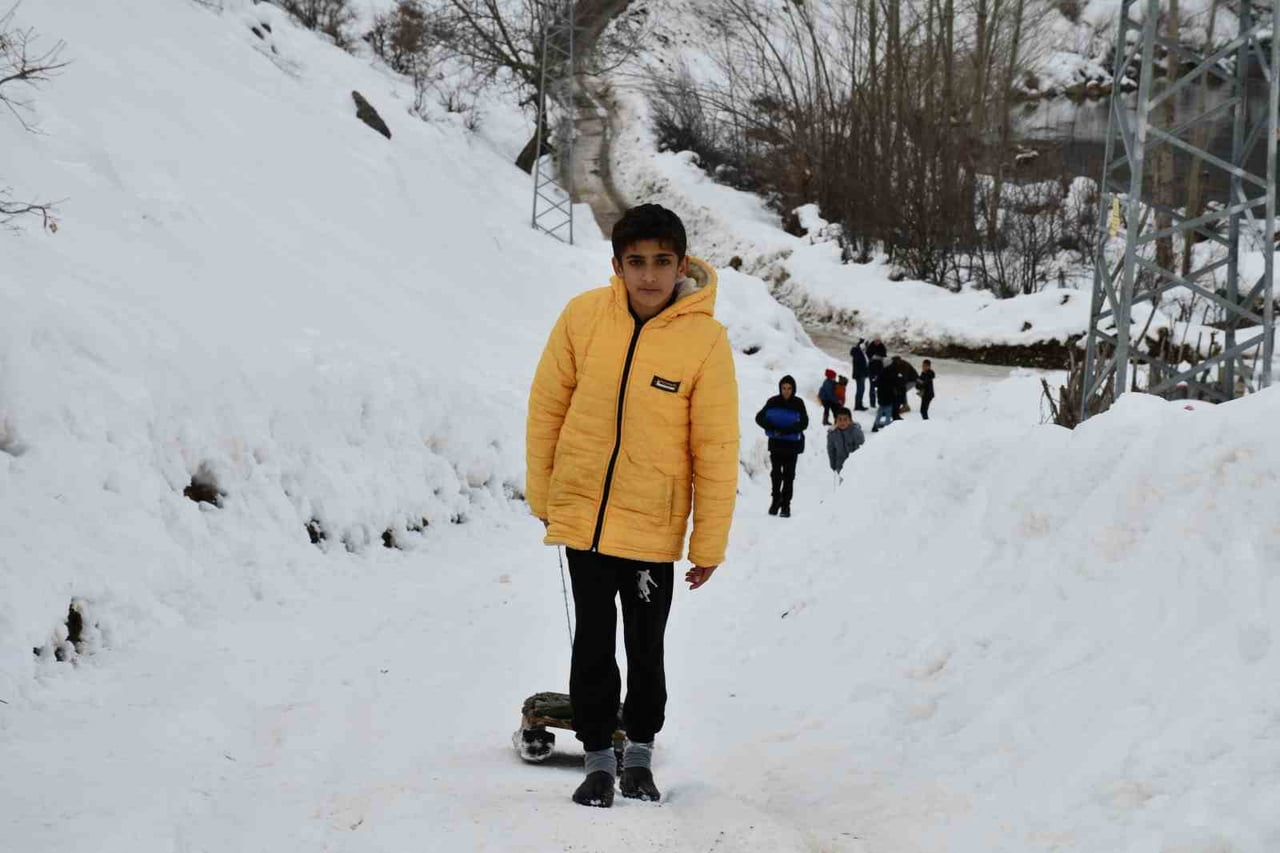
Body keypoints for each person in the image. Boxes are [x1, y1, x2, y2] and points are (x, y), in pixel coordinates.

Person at [526, 203, 739, 808]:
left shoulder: (705, 341)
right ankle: (597, 760)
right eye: (636, 262)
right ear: (617, 265)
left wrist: (708, 544)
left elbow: (715, 448)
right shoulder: (584, 316)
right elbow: (547, 409)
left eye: (662, 262)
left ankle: (639, 756)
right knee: (592, 642)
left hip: (651, 526)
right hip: (585, 520)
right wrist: (545, 494)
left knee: (646, 648)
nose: (649, 275)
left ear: (682, 265)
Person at [755, 374, 808, 518]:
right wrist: (772, 428)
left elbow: (804, 423)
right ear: (780, 388)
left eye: (789, 388)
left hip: (792, 445)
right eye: (784, 388)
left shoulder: (798, 403)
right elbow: (759, 418)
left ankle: (786, 505)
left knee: (789, 476)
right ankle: (775, 500)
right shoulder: (773, 401)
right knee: (776, 474)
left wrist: (786, 430)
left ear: (793, 389)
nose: (786, 391)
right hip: (776, 444)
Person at [826, 407, 864, 479]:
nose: (842, 422)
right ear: (836, 420)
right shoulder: (832, 434)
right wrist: (833, 465)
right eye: (839, 419)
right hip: (840, 465)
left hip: (855, 466)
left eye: (845, 419)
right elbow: (831, 450)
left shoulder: (856, 432)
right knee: (843, 483)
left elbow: (861, 450)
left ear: (850, 420)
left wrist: (858, 464)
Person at [850, 340, 869, 411]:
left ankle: (859, 404)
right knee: (860, 390)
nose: (866, 347)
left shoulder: (862, 353)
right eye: (866, 346)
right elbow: (859, 364)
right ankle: (858, 405)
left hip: (862, 374)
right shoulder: (858, 353)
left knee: (861, 390)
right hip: (859, 375)